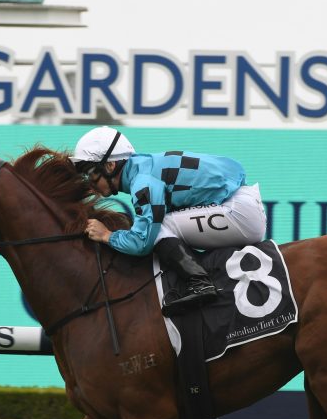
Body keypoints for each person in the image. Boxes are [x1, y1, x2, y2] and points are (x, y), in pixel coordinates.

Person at [73, 126, 267, 317]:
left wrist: (107, 235)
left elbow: (142, 242)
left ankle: (200, 284)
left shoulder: (143, 181)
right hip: (240, 203)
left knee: (160, 227)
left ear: (110, 165)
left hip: (240, 212)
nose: (90, 182)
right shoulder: (144, 167)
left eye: (91, 172)